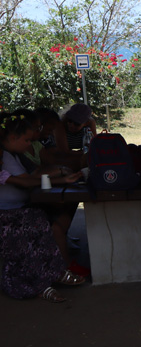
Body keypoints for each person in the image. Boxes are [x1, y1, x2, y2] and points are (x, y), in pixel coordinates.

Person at [0, 110, 85, 303]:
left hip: (17, 210)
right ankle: (40, 284)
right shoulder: (4, 156)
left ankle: (53, 272)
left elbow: (29, 178)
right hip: (5, 214)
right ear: (13, 137)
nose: (31, 145)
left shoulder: (14, 154)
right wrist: (61, 178)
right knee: (29, 230)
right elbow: (24, 182)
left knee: (38, 220)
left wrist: (62, 178)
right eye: (27, 140)